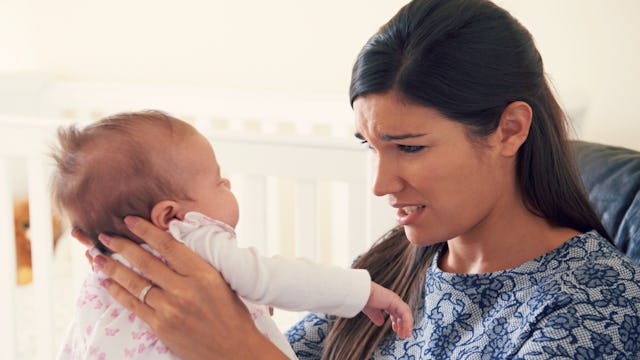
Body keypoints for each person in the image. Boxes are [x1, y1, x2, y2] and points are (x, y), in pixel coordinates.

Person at [76, 0, 640, 359]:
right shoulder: (394, 264)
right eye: (369, 146)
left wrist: (239, 351)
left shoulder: (594, 310)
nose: (379, 184)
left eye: (410, 147)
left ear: (510, 130)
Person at [52, 111, 414, 359]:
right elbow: (276, 278)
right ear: (169, 215)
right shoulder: (192, 233)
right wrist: (361, 291)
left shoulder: (106, 274)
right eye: (217, 180)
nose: (226, 184)